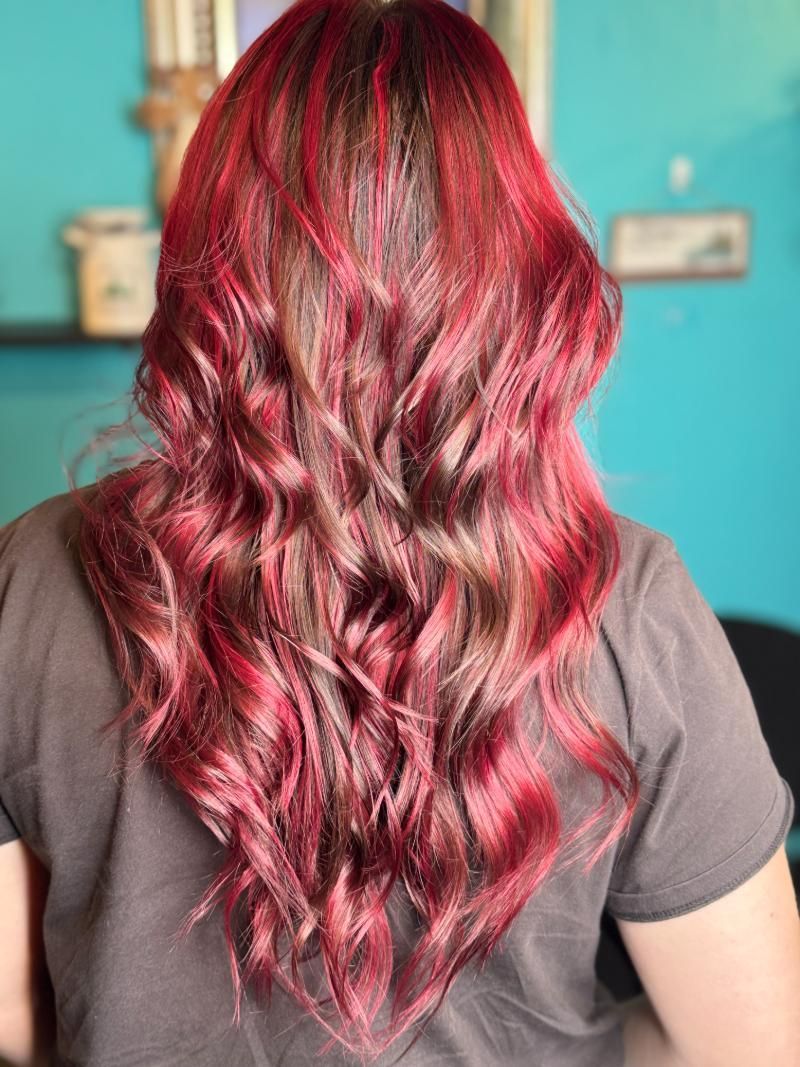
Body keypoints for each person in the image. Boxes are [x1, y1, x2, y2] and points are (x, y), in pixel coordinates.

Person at [1, 1, 798, 1064]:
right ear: (514, 265)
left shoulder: (30, 574)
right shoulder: (624, 598)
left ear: (213, 256)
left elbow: (16, 1013)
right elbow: (753, 1045)